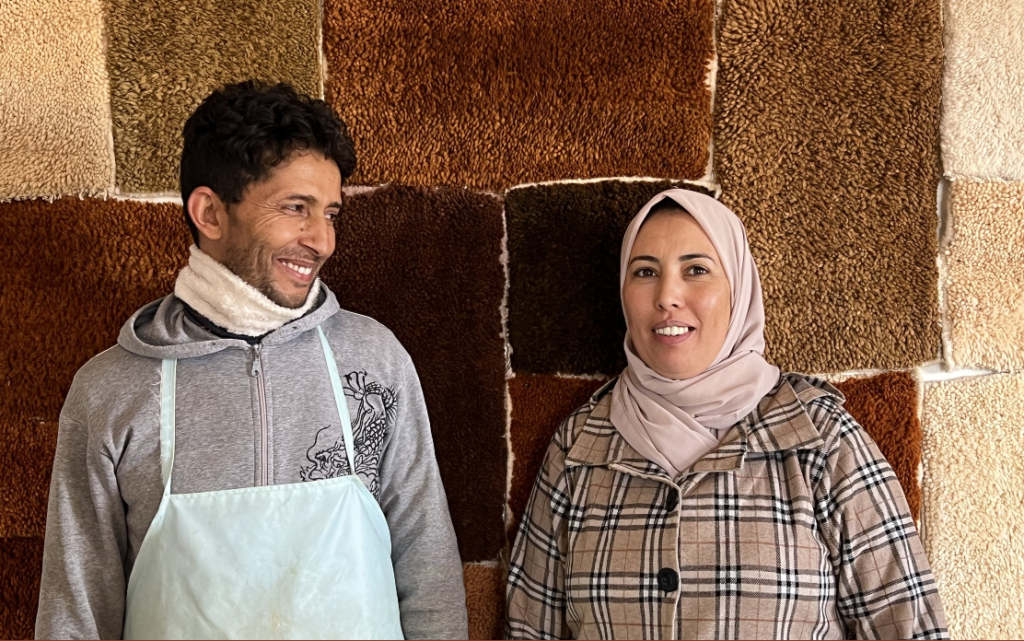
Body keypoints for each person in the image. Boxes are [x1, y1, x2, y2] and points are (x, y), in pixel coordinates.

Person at [36, 81, 468, 640]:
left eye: (331, 213)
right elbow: (77, 609)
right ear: (210, 214)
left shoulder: (375, 360)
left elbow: (425, 564)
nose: (323, 240)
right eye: (296, 208)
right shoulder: (111, 390)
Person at [506, 189, 947, 640]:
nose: (667, 296)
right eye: (644, 272)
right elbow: (530, 629)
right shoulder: (580, 446)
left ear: (738, 288)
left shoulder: (819, 437)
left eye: (696, 270)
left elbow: (908, 627)